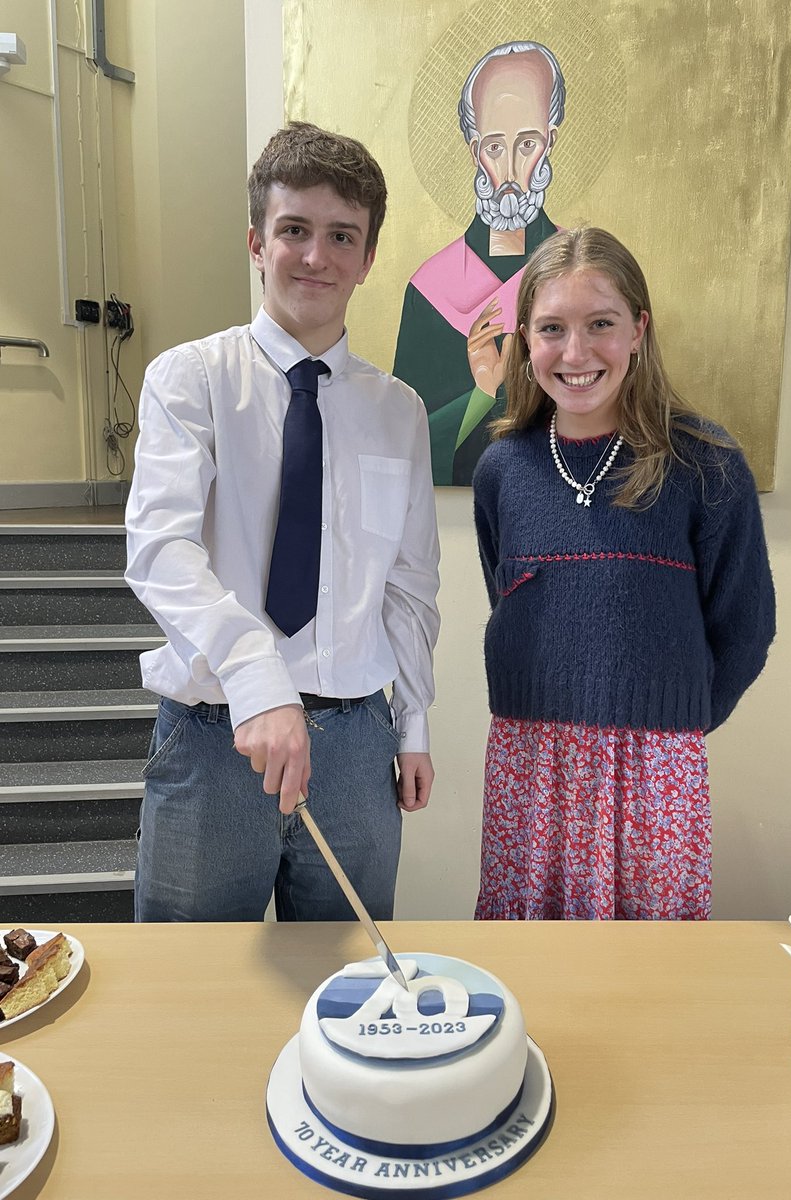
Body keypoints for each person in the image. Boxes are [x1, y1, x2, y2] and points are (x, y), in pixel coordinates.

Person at [125, 122, 440, 923]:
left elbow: (408, 588)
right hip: (215, 731)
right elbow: (161, 550)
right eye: (294, 230)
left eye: (343, 236)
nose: (315, 256)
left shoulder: (398, 412)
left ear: (368, 259)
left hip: (356, 745)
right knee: (191, 989)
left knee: (349, 994)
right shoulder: (189, 379)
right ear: (257, 242)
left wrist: (413, 725)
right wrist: (255, 677)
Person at [472, 227, 775, 921]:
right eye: (552, 328)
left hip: (654, 771)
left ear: (638, 329)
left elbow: (746, 628)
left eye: (600, 324)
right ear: (524, 337)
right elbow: (512, 600)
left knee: (648, 978)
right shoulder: (503, 470)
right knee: (532, 964)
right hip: (530, 766)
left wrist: (672, 724)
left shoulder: (706, 464)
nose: (575, 353)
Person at [393, 40, 565, 485]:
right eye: (494, 147)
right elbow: (403, 448)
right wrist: (483, 393)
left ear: (551, 143)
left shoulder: (578, 277)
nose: (509, 171)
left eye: (527, 143)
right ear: (474, 151)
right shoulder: (431, 291)